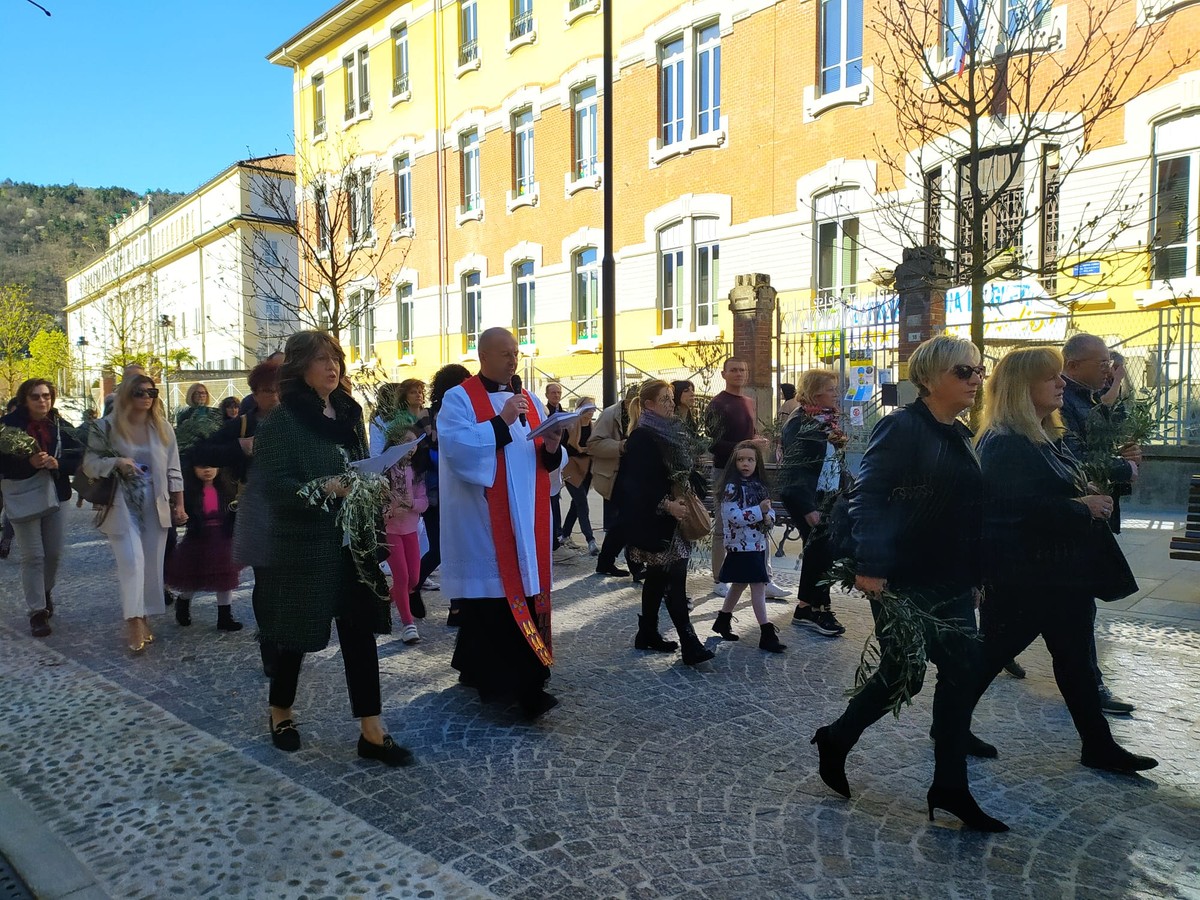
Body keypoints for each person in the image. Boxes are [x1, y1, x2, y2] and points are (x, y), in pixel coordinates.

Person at [811, 335, 1006, 833]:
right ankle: (837, 738)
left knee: (963, 670)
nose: (975, 380)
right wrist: (871, 566)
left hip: (952, 578)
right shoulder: (900, 427)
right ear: (929, 378)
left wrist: (976, 575)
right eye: (964, 371)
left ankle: (950, 785)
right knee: (905, 674)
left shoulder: (959, 434)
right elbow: (869, 496)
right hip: (902, 575)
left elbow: (969, 512)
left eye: (978, 371)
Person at [969, 347, 1157, 776]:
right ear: (1022, 388)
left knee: (1074, 661)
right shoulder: (1006, 441)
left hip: (1060, 576)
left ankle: (1098, 745)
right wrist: (1082, 507)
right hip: (1027, 577)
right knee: (988, 658)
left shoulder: (1042, 435)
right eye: (1050, 377)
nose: (1060, 384)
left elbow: (1046, 493)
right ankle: (947, 727)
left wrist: (1089, 492)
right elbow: (1011, 510)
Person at [253, 330, 412, 766]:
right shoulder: (282, 422)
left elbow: (359, 463)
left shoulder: (348, 411)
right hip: (304, 546)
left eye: (336, 358)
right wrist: (323, 487)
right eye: (322, 359)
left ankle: (371, 730)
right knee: (296, 636)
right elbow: (272, 487)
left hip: (351, 542)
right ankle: (280, 710)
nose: (333, 367)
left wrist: (372, 483)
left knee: (359, 632)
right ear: (300, 366)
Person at [439, 328, 564, 718]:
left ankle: (478, 667)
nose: (513, 360)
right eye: (505, 353)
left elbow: (540, 458)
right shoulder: (459, 398)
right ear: (484, 356)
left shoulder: (528, 398)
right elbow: (458, 450)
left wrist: (555, 443)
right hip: (483, 519)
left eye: (515, 352)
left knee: (508, 597)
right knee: (492, 602)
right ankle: (521, 688)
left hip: (525, 518)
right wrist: (501, 421)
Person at [1060, 333, 1140, 715]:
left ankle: (1090, 697)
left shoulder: (1088, 398)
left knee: (1074, 614)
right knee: (1070, 612)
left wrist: (1125, 459)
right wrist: (1125, 466)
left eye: (1110, 362)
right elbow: (1077, 459)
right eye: (1101, 363)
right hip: (1069, 524)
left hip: (1088, 516)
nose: (1108, 369)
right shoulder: (1063, 403)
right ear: (1072, 365)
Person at [83, 374, 187, 652]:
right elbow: (90, 464)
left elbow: (174, 468)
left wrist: (179, 503)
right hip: (120, 501)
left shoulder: (162, 427)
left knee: (152, 564)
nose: (146, 397)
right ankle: (133, 620)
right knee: (131, 561)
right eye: (139, 392)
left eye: (151, 392)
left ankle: (144, 615)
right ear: (127, 394)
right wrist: (117, 462)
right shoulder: (104, 427)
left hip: (156, 501)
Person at [617, 380, 714, 666]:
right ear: (648, 405)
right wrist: (666, 504)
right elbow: (634, 485)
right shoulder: (642, 437)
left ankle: (646, 632)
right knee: (674, 580)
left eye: (671, 399)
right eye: (664, 400)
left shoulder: (668, 432)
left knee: (659, 579)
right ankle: (689, 643)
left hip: (672, 519)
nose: (671, 404)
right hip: (656, 520)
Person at [0, 379, 83, 637]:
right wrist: (30, 464)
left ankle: (45, 591)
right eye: (35, 396)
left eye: (46, 396)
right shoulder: (8, 427)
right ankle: (37, 611)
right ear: (25, 399)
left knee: (54, 552)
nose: (42, 401)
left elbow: (79, 459)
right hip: (24, 495)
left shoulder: (60, 426)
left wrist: (57, 463)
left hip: (56, 495)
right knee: (32, 555)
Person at [705, 358, 787, 600]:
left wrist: (756, 441)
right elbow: (713, 444)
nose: (739, 374)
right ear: (724, 374)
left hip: (752, 473)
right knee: (723, 527)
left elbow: (748, 436)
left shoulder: (750, 401)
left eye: (743, 370)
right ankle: (720, 579)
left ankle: (765, 578)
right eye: (734, 370)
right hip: (725, 472)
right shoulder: (717, 404)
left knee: (761, 523)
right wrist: (748, 445)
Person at [221, 359, 283, 676]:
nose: (273, 397)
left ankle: (288, 640)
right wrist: (241, 449)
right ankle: (269, 647)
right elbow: (209, 453)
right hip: (257, 509)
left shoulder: (296, 421)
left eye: (277, 390)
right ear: (255, 393)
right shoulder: (243, 424)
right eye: (266, 391)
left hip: (291, 510)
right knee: (265, 581)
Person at [779, 369, 849, 637]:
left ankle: (813, 607)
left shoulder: (824, 420)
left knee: (822, 551)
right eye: (831, 389)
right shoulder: (800, 422)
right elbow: (795, 470)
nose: (836, 393)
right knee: (819, 550)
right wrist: (808, 508)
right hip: (807, 497)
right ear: (816, 392)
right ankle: (813, 608)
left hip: (826, 495)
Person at [711, 440, 787, 652]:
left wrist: (768, 518)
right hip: (740, 546)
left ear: (757, 463)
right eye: (741, 459)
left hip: (758, 545)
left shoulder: (760, 486)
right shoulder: (731, 488)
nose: (745, 463)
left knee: (739, 585)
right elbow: (732, 516)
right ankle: (766, 633)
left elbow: (768, 511)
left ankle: (723, 620)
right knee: (757, 586)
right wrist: (759, 511)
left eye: (750, 460)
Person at [420, 364, 471, 622]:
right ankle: (411, 586)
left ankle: (457, 609)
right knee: (441, 549)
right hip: (434, 492)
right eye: (464, 381)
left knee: (459, 548)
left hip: (461, 489)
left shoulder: (468, 409)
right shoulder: (429, 415)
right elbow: (424, 454)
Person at [165, 462, 243, 631]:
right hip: (198, 540)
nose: (207, 470)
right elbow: (182, 512)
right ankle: (183, 602)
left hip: (222, 539)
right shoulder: (189, 493)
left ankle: (225, 616)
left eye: (211, 465)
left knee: (225, 578)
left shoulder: (226, 489)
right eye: (201, 466)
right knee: (192, 578)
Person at [589, 384, 640, 578]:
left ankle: (606, 563)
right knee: (627, 522)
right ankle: (633, 566)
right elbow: (593, 444)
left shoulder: (644, 414)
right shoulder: (611, 414)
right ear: (627, 401)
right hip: (616, 476)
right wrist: (621, 446)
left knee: (625, 522)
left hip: (634, 476)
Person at [384, 430, 428, 644]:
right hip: (391, 530)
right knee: (401, 577)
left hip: (410, 529)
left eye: (415, 442)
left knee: (414, 579)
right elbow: (378, 499)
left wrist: (411, 504)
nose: (412, 446)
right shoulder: (385, 471)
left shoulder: (417, 471)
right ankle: (408, 624)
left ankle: (384, 600)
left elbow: (424, 501)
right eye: (407, 442)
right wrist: (387, 507)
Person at [560, 397, 598, 555]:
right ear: (580, 409)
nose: (591, 412)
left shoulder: (593, 427)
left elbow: (595, 446)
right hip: (571, 467)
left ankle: (564, 534)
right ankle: (591, 540)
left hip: (586, 468)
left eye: (593, 409)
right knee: (582, 504)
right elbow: (564, 448)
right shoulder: (570, 426)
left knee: (576, 504)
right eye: (588, 408)